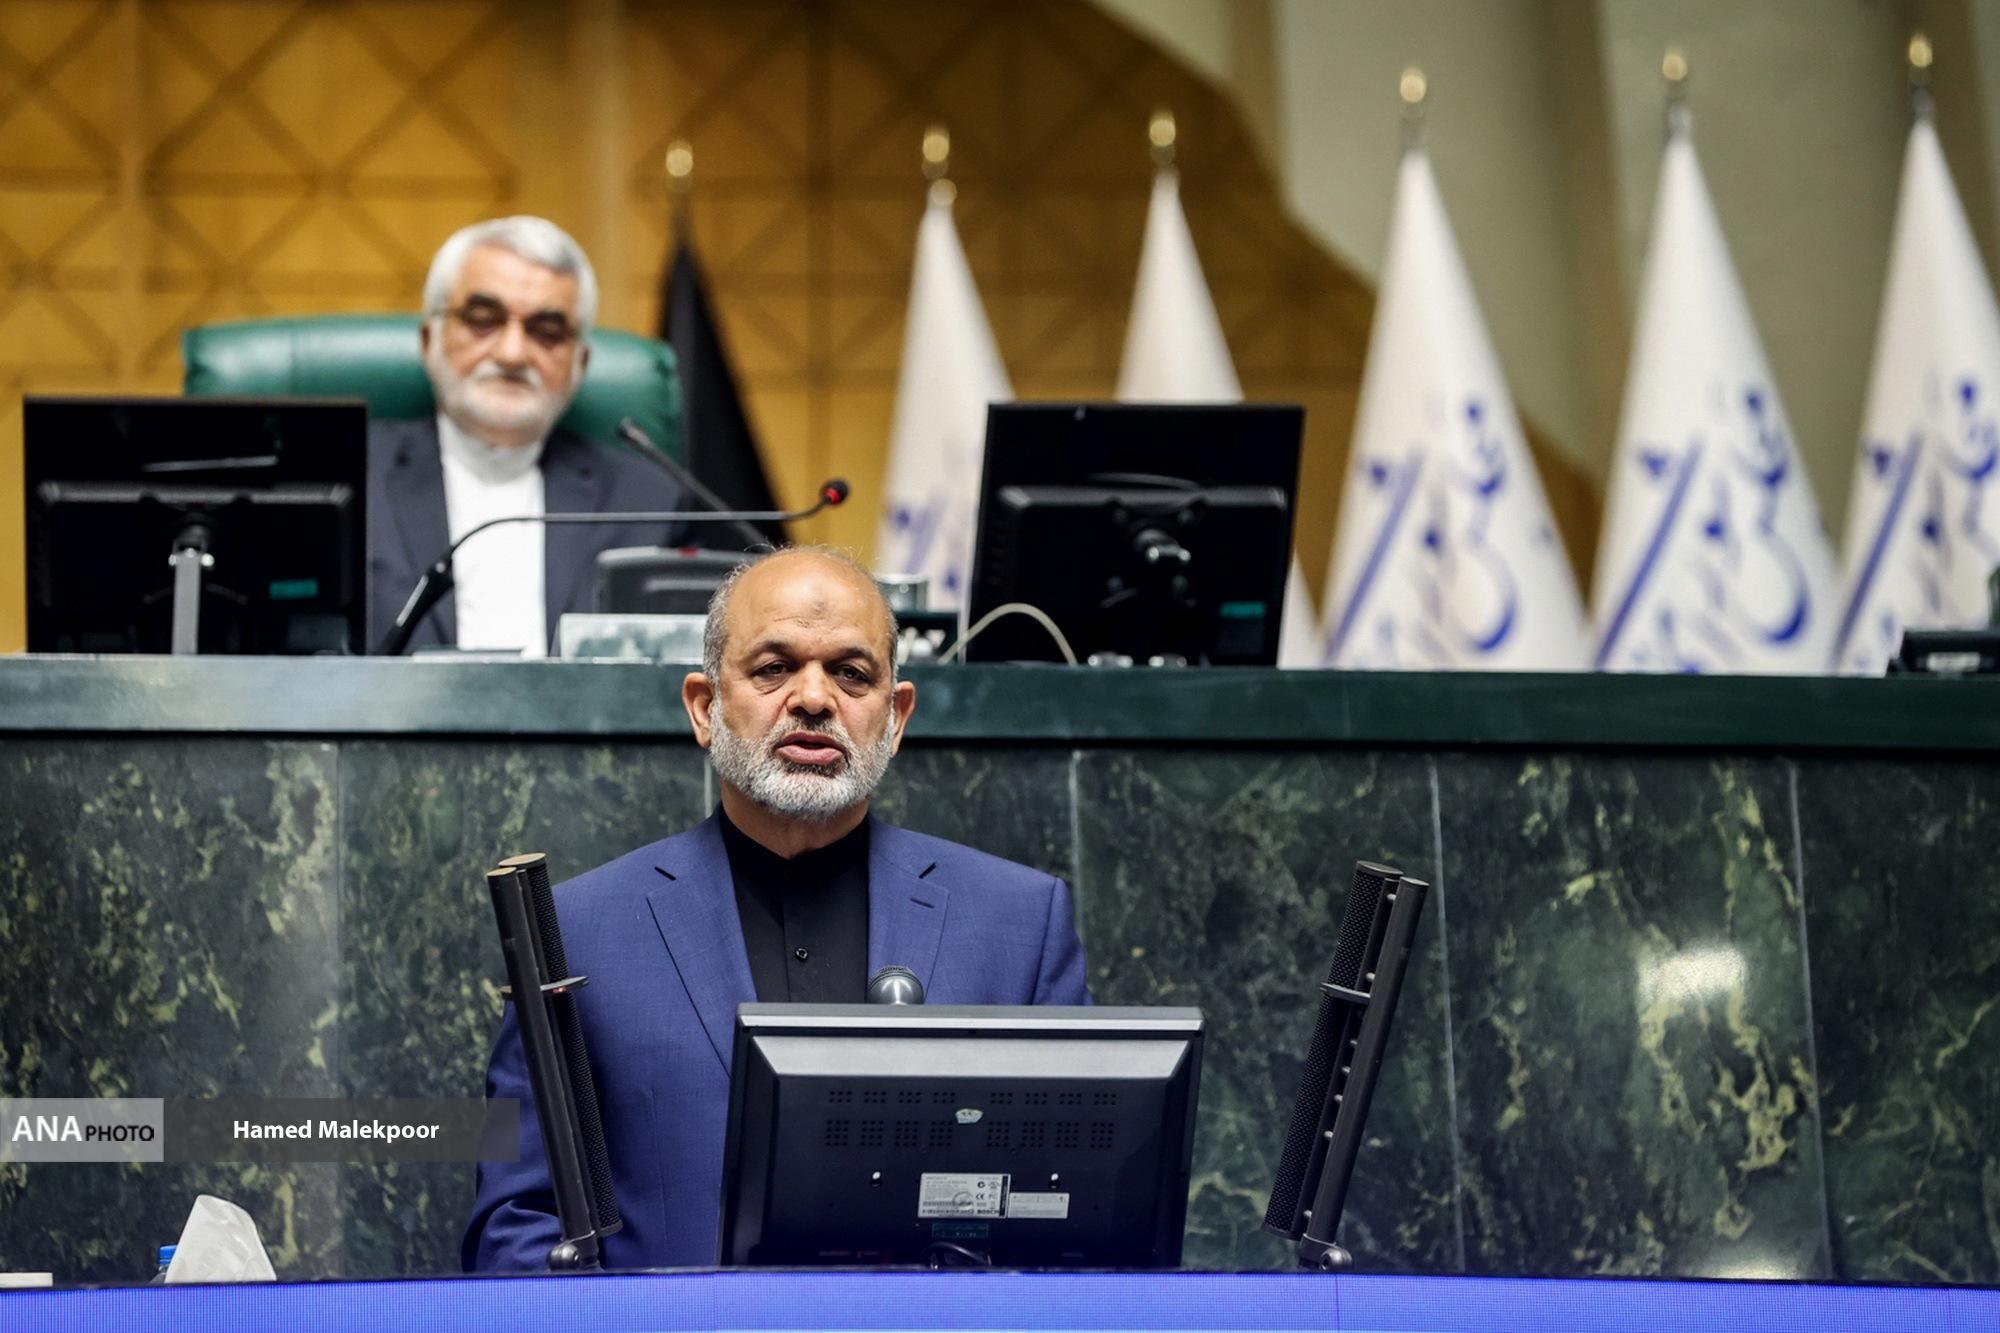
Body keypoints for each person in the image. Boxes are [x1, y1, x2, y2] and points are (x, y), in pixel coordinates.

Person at [463, 547, 1091, 1270]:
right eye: (773, 668)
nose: (814, 698)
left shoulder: (1020, 924)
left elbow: (1075, 1217)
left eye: (851, 673)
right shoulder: (577, 931)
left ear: (895, 717)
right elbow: (514, 1224)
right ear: (705, 707)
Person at [368, 216, 686, 655]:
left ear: (580, 362)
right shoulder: (347, 474)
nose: (512, 353)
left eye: (546, 331)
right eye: (483, 320)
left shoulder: (647, 501)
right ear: (429, 340)